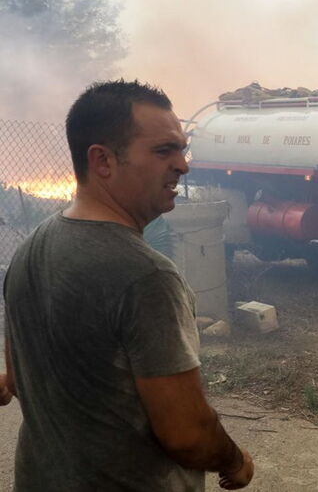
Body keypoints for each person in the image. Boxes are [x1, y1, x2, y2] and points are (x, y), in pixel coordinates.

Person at [1, 80, 254, 491]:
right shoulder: (146, 277)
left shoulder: (30, 249)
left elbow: (15, 378)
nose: (183, 165)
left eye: (182, 150)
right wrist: (234, 460)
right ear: (102, 161)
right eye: (163, 151)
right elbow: (187, 434)